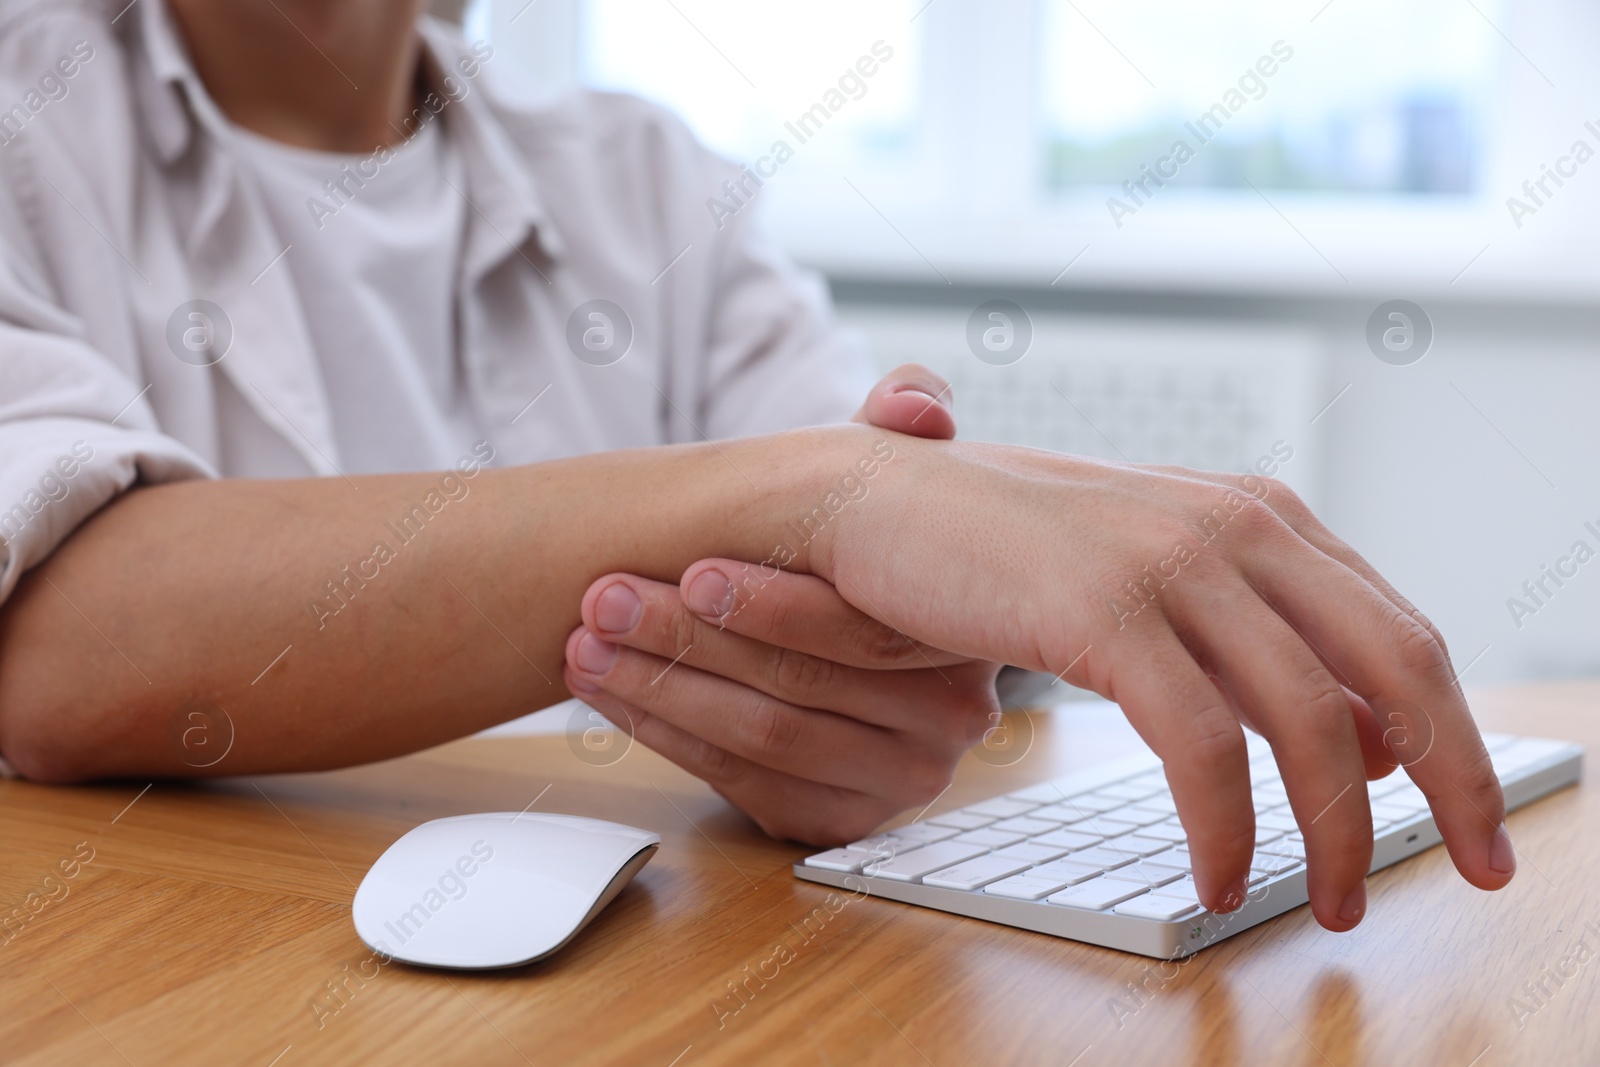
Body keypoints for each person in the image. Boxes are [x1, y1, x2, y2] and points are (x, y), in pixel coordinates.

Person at [0, 0, 1512, 935]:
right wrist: (810, 502)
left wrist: (871, 684)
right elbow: (56, 631)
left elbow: (880, 589)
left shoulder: (644, 173)